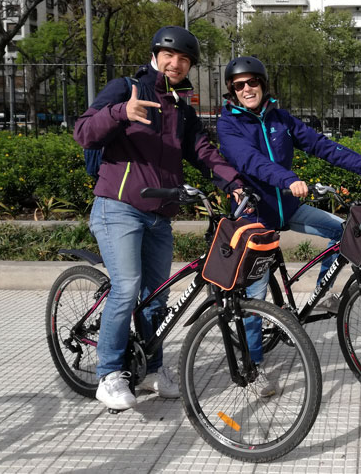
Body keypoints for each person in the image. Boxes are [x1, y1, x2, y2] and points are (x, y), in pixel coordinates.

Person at [73, 26, 244, 411]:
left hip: (160, 214)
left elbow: (202, 150)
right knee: (127, 287)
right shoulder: (127, 88)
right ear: (155, 55)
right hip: (118, 207)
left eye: (184, 59)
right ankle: (109, 374)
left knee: (156, 299)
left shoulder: (182, 109)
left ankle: (152, 370)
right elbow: (83, 132)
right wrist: (120, 112)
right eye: (169, 55)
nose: (176, 63)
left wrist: (232, 182)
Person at [216, 56, 361, 393]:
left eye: (253, 82)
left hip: (288, 208)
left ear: (263, 84)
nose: (247, 89)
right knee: (255, 297)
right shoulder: (228, 124)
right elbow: (250, 161)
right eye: (239, 85)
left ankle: (323, 294)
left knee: (343, 229)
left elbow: (321, 145)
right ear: (232, 91)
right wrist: (288, 179)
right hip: (255, 216)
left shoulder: (280, 118)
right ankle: (254, 366)